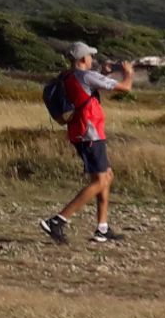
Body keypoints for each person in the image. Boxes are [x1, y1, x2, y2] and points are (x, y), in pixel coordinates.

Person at [39, 42, 134, 243]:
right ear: (83, 59)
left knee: (106, 175)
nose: (92, 59)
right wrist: (128, 73)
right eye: (90, 56)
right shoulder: (86, 76)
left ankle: (102, 227)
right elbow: (125, 88)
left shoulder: (68, 76)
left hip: (82, 131)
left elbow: (85, 91)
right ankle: (58, 220)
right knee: (100, 181)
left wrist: (104, 74)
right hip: (90, 133)